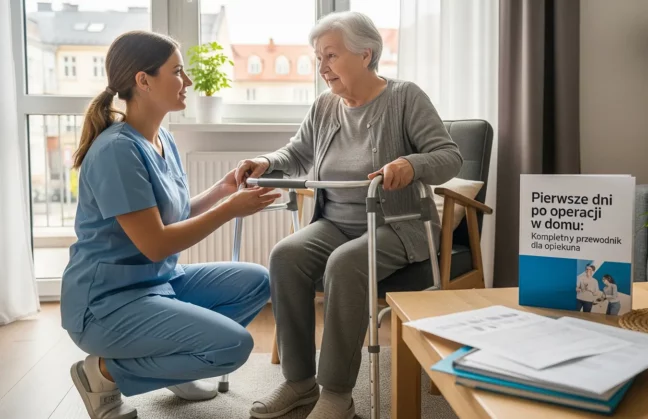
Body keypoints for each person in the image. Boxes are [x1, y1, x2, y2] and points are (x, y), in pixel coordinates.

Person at [236, 11, 463, 419]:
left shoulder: (405, 97)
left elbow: (449, 157)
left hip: (396, 225)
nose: (322, 67)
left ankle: (338, 393)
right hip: (334, 223)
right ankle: (299, 381)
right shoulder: (325, 106)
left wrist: (410, 165)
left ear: (365, 54)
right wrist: (264, 161)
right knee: (284, 256)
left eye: (330, 56)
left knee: (345, 264)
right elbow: (297, 152)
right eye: (318, 58)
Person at [61, 30, 281, 419]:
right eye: (178, 71)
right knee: (234, 348)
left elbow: (172, 216)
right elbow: (157, 244)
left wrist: (221, 190)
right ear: (143, 81)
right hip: (105, 305)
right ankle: (103, 373)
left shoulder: (161, 137)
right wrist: (230, 208)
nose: (189, 82)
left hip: (157, 284)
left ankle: (174, 360)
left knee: (257, 281)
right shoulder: (116, 151)